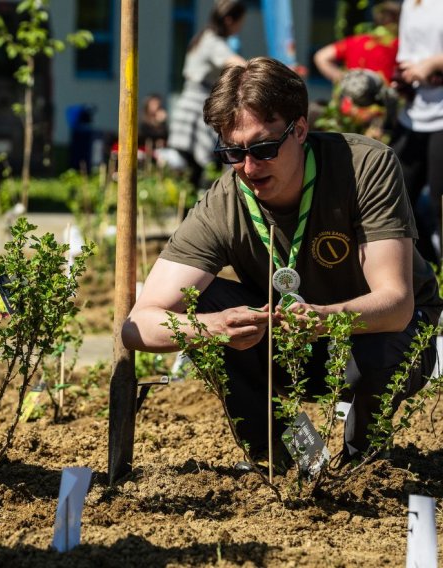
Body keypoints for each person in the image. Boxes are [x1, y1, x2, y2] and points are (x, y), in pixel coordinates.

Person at [122, 57, 443, 469]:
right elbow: (138, 324)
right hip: (290, 342)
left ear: (301, 129)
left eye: (264, 148)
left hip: (383, 336)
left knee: (381, 345)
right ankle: (285, 458)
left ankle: (362, 462)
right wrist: (213, 328)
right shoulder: (223, 204)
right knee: (205, 304)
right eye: (233, 152)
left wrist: (324, 318)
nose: (249, 167)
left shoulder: (363, 166)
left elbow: (396, 304)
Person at [168, 0, 246, 189]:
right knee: (201, 165)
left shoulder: (203, 37)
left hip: (189, 103)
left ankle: (191, 199)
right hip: (197, 106)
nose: (241, 27)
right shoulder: (213, 42)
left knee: (192, 167)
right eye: (240, 22)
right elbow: (238, 64)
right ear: (229, 20)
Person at [389, 0, 443, 263]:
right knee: (394, 196)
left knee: (439, 203)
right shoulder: (412, 3)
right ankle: (425, 270)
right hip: (413, 114)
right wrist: (404, 77)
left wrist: (433, 64)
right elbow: (406, 54)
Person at [313, 1, 401, 85]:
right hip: (384, 94)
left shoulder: (356, 41)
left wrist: (344, 79)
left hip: (354, 93)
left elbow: (321, 57)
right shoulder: (397, 44)